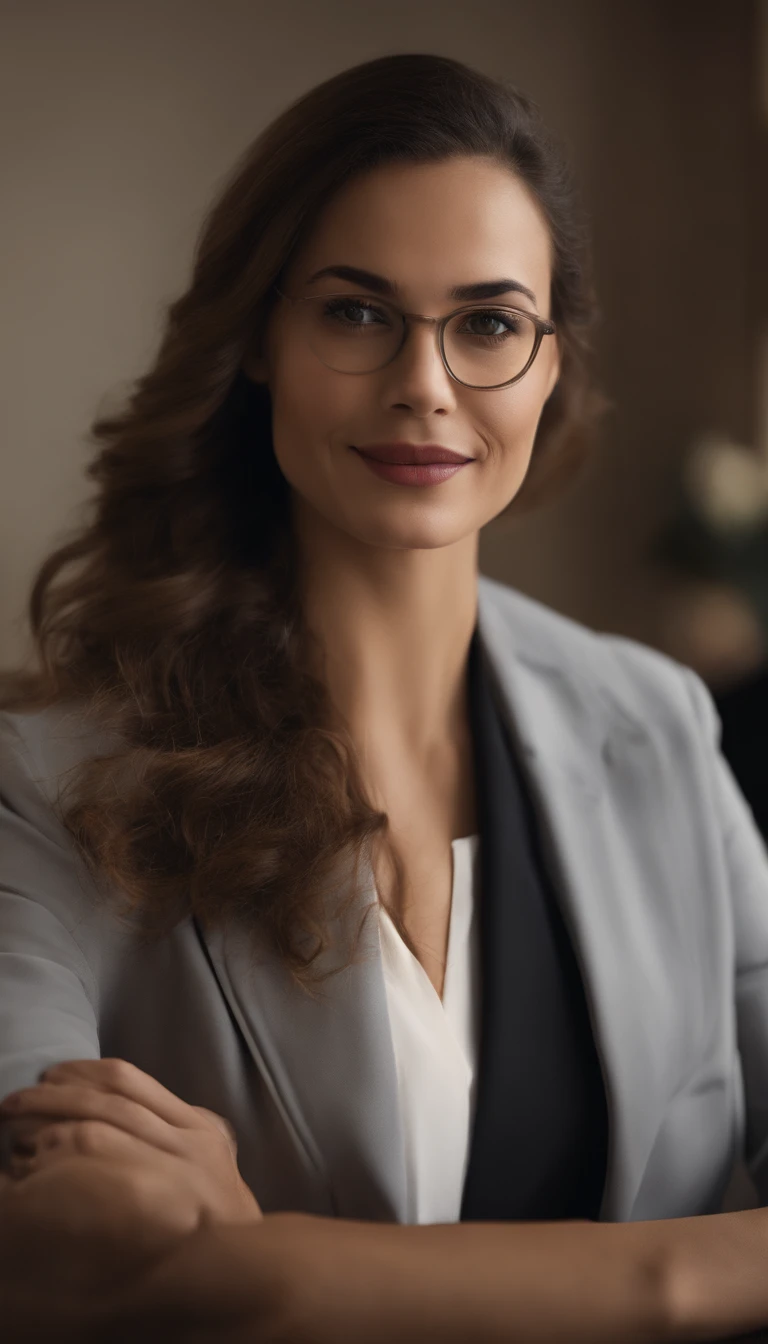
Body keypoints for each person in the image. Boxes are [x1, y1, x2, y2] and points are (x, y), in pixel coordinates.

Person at [2, 50, 768, 1343]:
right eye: (358, 314)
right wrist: (682, 1276)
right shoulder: (50, 777)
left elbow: (188, 1287)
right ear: (257, 338)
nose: (426, 382)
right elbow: (50, 1255)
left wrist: (273, 1268)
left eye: (487, 323)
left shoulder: (662, 726)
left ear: (549, 363)